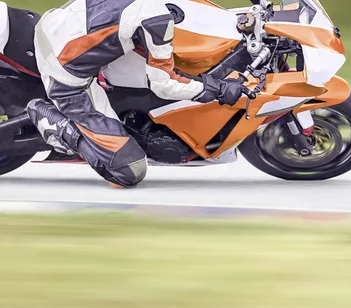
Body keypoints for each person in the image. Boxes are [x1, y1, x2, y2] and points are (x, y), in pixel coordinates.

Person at [25, 0, 244, 188]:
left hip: (54, 23)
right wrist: (216, 90)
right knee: (129, 171)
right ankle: (54, 123)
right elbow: (163, 85)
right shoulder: (156, 18)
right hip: (64, 76)